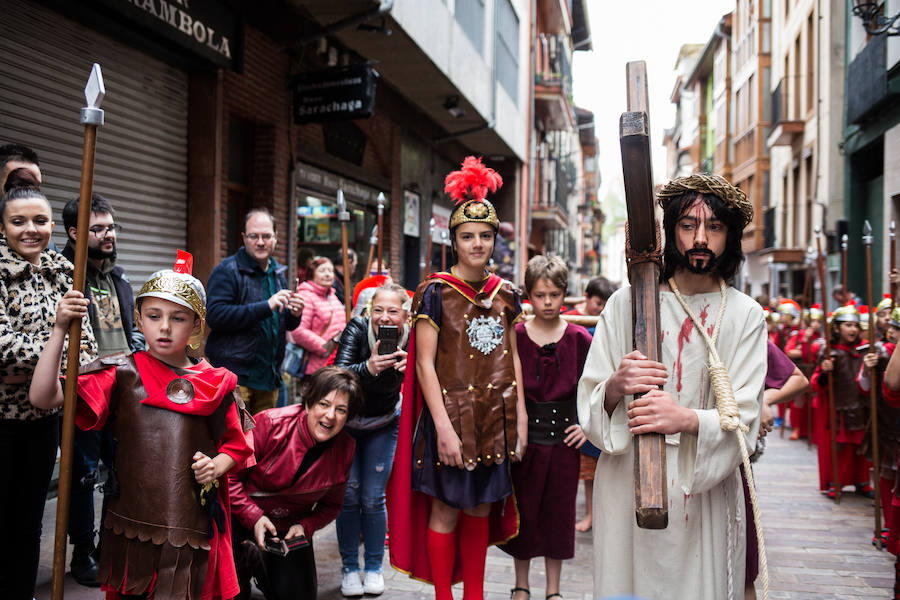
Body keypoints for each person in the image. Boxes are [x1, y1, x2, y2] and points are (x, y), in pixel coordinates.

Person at [577, 173, 766, 599]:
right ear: (669, 232)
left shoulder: (745, 315)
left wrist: (685, 419)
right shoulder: (625, 305)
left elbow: (746, 418)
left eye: (714, 227)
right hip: (627, 483)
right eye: (688, 225)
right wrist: (614, 385)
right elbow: (589, 401)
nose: (701, 238)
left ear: (730, 236)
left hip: (701, 492)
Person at [30, 252, 252, 599]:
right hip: (130, 523)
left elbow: (238, 447)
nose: (164, 327)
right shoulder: (117, 374)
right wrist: (59, 329)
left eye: (177, 318)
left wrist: (216, 465)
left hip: (192, 524)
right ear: (138, 318)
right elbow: (44, 397)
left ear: (196, 325)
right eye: (153, 316)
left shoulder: (219, 382)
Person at [387, 156, 527, 600]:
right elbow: (424, 364)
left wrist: (520, 417)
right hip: (450, 419)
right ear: (454, 241)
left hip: (494, 419)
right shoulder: (434, 292)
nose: (477, 244)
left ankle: (476, 596)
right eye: (468, 236)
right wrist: (443, 430)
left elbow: (513, 358)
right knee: (446, 510)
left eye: (485, 236)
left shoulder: (506, 295)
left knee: (482, 509)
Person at [0, 185, 96, 598]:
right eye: (18, 221)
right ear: (3, 226)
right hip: (0, 422)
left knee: (29, 520)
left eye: (39, 221)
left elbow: (88, 348)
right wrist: (54, 352)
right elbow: (2, 350)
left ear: (52, 225)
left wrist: (41, 370)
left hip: (46, 420)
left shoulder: (64, 271)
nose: (30, 229)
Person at [60, 192, 145, 585]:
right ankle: (82, 550)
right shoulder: (63, 275)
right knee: (81, 473)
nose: (108, 234)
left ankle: (111, 542)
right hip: (84, 389)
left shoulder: (119, 278)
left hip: (122, 388)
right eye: (97, 229)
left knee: (121, 469)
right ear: (76, 233)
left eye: (110, 227)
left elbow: (129, 334)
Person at [500, 255, 592, 600]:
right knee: (524, 514)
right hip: (526, 441)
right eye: (540, 295)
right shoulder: (517, 335)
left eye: (554, 295)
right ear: (528, 295)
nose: (548, 302)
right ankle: (521, 585)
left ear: (564, 294)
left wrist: (587, 426)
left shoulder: (580, 338)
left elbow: (594, 388)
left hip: (565, 444)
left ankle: (553, 590)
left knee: (558, 516)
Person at [229, 366, 363, 600]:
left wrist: (305, 526)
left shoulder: (346, 449)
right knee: (233, 593)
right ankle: (246, 558)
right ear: (308, 403)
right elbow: (229, 477)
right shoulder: (270, 423)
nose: (330, 415)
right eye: (324, 404)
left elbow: (331, 506)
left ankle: (263, 564)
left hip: (287, 530)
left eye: (341, 410)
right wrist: (254, 517)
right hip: (239, 517)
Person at [333, 282, 410, 596]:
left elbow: (433, 373)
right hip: (348, 424)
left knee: (373, 498)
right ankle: (350, 567)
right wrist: (367, 367)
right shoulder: (356, 329)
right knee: (349, 495)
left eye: (393, 311)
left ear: (405, 314)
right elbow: (338, 373)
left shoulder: (414, 337)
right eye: (378, 310)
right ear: (369, 312)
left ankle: (375, 566)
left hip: (383, 423)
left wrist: (412, 370)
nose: (385, 317)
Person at [206, 207, 304, 415]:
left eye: (266, 236)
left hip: (269, 378)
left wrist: (294, 315)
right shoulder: (227, 270)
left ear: (276, 237)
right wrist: (266, 306)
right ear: (244, 238)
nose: (260, 242)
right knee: (235, 442)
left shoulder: (277, 273)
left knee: (262, 443)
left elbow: (281, 323)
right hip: (236, 378)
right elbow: (215, 315)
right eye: (254, 236)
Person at [568, 275, 617, 532]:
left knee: (604, 462)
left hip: (605, 393)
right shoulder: (570, 318)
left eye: (605, 303)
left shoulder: (610, 323)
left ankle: (604, 515)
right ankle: (589, 514)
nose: (601, 308)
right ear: (587, 298)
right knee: (587, 468)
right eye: (598, 302)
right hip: (579, 394)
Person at [810, 303, 873, 498]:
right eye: (847, 325)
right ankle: (836, 481)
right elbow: (816, 383)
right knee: (842, 448)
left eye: (855, 325)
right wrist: (825, 372)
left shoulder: (865, 351)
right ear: (836, 328)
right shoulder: (830, 352)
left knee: (862, 447)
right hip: (840, 408)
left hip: (862, 406)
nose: (853, 329)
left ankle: (862, 482)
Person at [290, 257, 347, 377]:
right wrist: (325, 348)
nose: (327, 274)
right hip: (315, 366)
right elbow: (298, 331)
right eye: (322, 271)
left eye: (330, 271)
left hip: (335, 364)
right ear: (312, 274)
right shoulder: (305, 296)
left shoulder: (333, 296)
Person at [783, 303, 824, 441]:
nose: (815, 324)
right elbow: (789, 352)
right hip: (802, 371)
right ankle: (796, 429)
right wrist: (805, 344)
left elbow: (814, 354)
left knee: (814, 401)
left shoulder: (822, 338)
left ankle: (811, 431)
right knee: (799, 400)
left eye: (818, 321)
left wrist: (803, 349)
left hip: (815, 371)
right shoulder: (798, 335)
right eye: (813, 321)